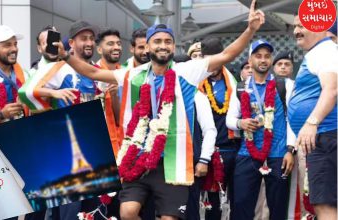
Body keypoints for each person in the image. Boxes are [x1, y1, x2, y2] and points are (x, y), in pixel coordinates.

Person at [54, 1, 264, 218]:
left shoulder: (187, 71)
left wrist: (250, 30)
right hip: (140, 157)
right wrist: (66, 56)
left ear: (173, 47)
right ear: (148, 46)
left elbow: (226, 55)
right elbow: (94, 74)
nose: (163, 45)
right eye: (157, 41)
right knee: (127, 213)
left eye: (167, 42)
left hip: (173, 160)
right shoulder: (134, 74)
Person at [226, 39, 296, 220]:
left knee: (278, 208)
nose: (263, 60)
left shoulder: (284, 85)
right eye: (258, 56)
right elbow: (229, 119)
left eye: (267, 56)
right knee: (241, 206)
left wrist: (290, 150)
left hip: (278, 154)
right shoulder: (240, 87)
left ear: (271, 60)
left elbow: (292, 121)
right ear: (250, 60)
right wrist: (241, 123)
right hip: (247, 153)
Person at [288, 15, 337, 220]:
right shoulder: (321, 52)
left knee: (325, 205)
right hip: (322, 139)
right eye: (295, 26)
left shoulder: (324, 51)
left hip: (325, 137)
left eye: (302, 26)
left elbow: (332, 89)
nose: (296, 31)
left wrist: (312, 122)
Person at [197, 37, 240, 220]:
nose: (213, 63)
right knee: (210, 202)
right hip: (206, 152)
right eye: (209, 58)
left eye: (217, 57)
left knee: (236, 198)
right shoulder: (196, 81)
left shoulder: (233, 81)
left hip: (231, 148)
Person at [18, 20, 101, 112]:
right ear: (71, 43)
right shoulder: (59, 68)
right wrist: (53, 93)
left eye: (92, 39)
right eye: (84, 39)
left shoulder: (98, 70)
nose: (89, 43)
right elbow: (25, 91)